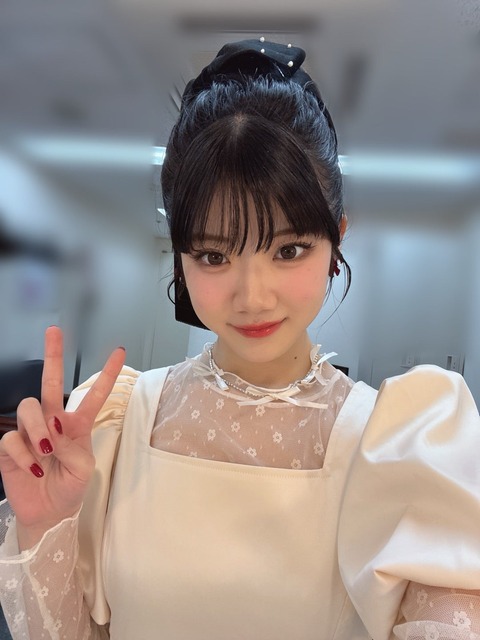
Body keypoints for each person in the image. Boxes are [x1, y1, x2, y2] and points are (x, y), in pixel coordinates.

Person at [0, 38, 479, 640]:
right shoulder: (115, 424)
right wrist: (48, 523)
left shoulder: (400, 445)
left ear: (337, 240)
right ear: (180, 256)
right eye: (213, 255)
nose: (252, 296)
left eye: (289, 250)